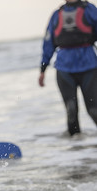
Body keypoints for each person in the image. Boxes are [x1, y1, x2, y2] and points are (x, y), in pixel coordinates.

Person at [39, 0, 97, 136]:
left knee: (94, 110)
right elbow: (48, 43)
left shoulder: (89, 10)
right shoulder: (57, 14)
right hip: (64, 69)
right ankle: (76, 150)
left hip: (89, 66)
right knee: (71, 110)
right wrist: (42, 69)